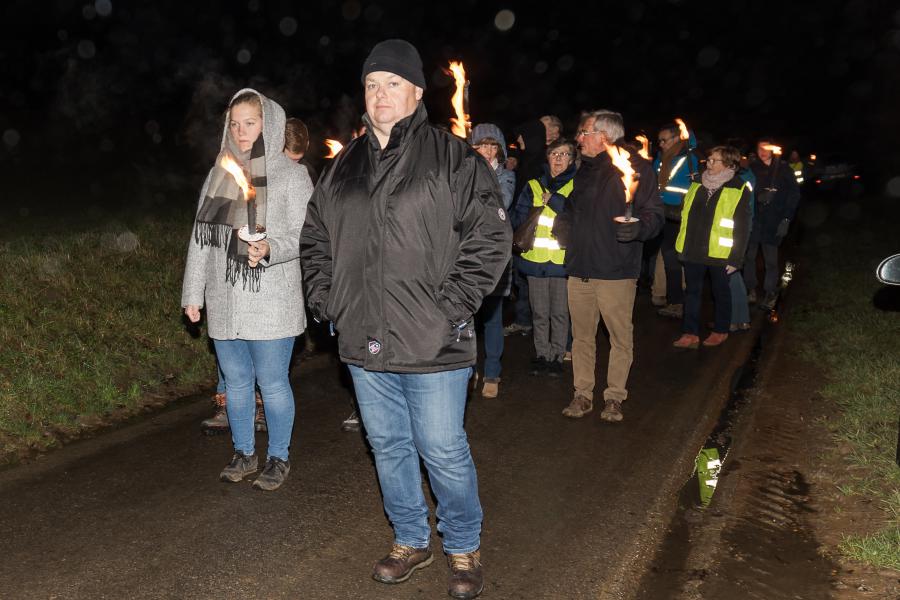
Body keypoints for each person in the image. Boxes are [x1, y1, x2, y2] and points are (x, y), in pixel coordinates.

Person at [300, 39, 510, 599]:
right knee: (388, 445)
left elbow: (490, 239)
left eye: (393, 83)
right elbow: (315, 238)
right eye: (372, 85)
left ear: (416, 93)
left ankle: (463, 547)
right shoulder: (343, 165)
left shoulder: (452, 158)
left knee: (442, 448)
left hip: (433, 339)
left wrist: (451, 307)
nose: (380, 95)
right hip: (363, 336)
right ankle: (410, 539)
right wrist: (328, 300)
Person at [182, 88, 313, 491]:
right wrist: (193, 292)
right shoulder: (220, 173)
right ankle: (243, 452)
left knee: (272, 382)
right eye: (235, 124)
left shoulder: (292, 175)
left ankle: (278, 457)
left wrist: (271, 246)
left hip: (273, 299)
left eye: (250, 123)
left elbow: (307, 236)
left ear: (268, 124)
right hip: (225, 299)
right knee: (237, 381)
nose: (241, 132)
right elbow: (202, 238)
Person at [553, 110, 663, 422]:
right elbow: (575, 207)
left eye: (584, 133)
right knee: (582, 338)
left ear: (603, 136)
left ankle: (614, 397)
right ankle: (582, 394)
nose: (579, 139)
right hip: (580, 268)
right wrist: (564, 221)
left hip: (615, 270)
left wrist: (639, 228)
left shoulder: (637, 168)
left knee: (619, 338)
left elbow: (654, 214)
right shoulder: (584, 170)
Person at [672, 146, 752, 348]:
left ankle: (721, 330)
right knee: (692, 292)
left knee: (720, 292)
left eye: (713, 160)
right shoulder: (697, 182)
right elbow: (684, 213)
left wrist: (736, 259)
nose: (708, 162)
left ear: (728, 164)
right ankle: (689, 333)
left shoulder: (738, 187)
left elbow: (742, 227)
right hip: (693, 249)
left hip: (719, 252)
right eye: (708, 159)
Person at [511, 138, 577, 378]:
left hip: (561, 262)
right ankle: (541, 354)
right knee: (539, 312)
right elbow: (517, 219)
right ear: (547, 158)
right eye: (554, 154)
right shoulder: (533, 185)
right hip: (535, 260)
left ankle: (557, 357)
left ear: (572, 159)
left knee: (559, 313)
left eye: (564, 154)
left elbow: (581, 218)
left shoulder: (577, 185)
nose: (558, 159)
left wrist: (557, 202)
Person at [471, 123, 516, 399]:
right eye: (480, 145)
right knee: (465, 320)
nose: (486, 151)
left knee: (492, 318)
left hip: (494, 257)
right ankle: (467, 369)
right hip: (467, 256)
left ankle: (492, 371)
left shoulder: (506, 176)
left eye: (491, 145)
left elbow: (501, 204)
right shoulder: (462, 173)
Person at [743, 138, 801, 310]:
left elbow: (794, 195)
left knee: (771, 261)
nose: (763, 151)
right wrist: (757, 197)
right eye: (760, 148)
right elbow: (744, 191)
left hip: (774, 221)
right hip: (754, 220)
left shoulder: (784, 169)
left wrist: (786, 219)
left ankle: (770, 292)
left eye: (766, 148)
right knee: (749, 257)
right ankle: (750, 289)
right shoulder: (752, 169)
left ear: (773, 150)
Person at [652, 122, 702, 319]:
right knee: (667, 257)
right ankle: (673, 298)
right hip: (661, 214)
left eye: (665, 140)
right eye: (659, 141)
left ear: (676, 139)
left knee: (675, 258)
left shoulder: (690, 157)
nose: (661, 144)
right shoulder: (660, 160)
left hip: (680, 216)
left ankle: (678, 302)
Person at [504, 118, 548, 337]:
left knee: (530, 279)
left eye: (522, 134)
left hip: (532, 229)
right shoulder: (527, 159)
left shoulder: (538, 164)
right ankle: (525, 319)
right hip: (521, 226)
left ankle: (532, 322)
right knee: (522, 277)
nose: (518, 138)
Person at [284, 116, 319, 184]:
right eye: (289, 159)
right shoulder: (265, 164)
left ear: (307, 145)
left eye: (297, 159)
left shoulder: (309, 175)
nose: (293, 164)